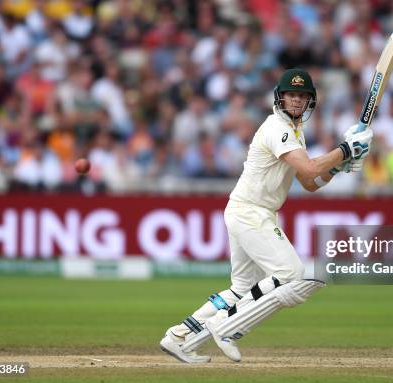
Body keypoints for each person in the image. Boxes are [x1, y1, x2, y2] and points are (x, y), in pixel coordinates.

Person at [159, 68, 374, 363]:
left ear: (310, 101)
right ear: (280, 98)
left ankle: (179, 337)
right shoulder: (278, 128)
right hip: (251, 212)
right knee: (292, 275)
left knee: (241, 289)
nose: (297, 101)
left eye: (303, 96)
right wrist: (345, 149)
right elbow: (311, 168)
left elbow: (309, 182)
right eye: (292, 95)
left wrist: (339, 166)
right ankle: (226, 327)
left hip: (248, 210)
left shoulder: (295, 133)